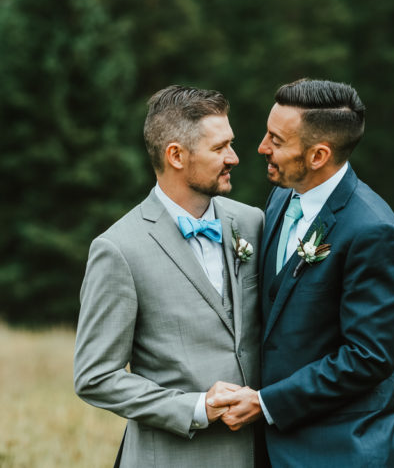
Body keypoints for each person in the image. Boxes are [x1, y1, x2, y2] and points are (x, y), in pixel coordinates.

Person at [210, 78, 394, 467]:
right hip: (271, 450)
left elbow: (367, 357)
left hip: (341, 451)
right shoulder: (281, 197)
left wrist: (266, 403)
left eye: (276, 140)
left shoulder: (374, 232)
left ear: (319, 155)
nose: (262, 148)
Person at [74, 85, 265, 468]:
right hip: (174, 457)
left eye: (231, 144)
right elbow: (95, 377)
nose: (234, 157)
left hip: (261, 453)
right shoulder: (118, 248)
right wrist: (196, 407)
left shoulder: (252, 222)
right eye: (219, 148)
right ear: (176, 155)